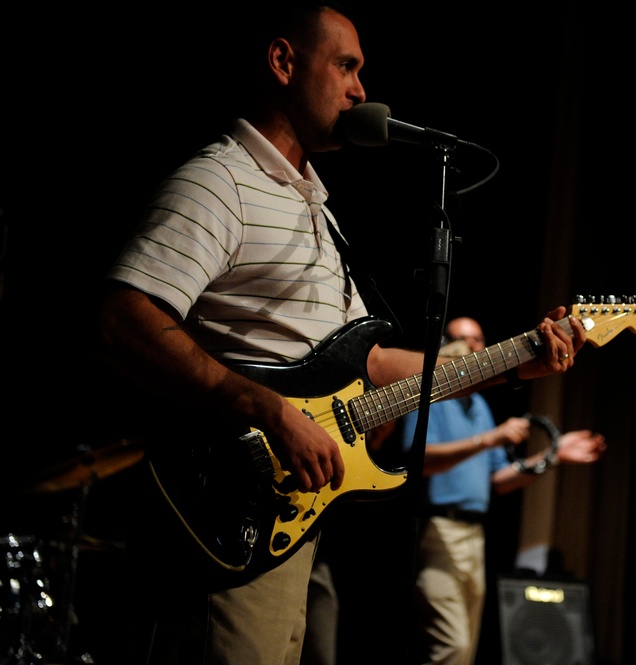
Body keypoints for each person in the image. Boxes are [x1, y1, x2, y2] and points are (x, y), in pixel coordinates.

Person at [92, 4, 588, 664]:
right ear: (282, 62)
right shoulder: (221, 182)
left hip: (287, 523)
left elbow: (373, 361)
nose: (360, 91)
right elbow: (123, 321)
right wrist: (266, 408)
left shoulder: (314, 209)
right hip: (225, 512)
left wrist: (515, 362)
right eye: (346, 66)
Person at [398, 316, 607, 665]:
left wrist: (553, 454)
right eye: (465, 340)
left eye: (480, 340)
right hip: (438, 532)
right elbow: (419, 461)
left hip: (473, 537)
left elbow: (499, 479)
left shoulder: (478, 405)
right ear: (445, 344)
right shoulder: (432, 396)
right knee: (452, 646)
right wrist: (490, 439)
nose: (475, 348)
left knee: (465, 651)